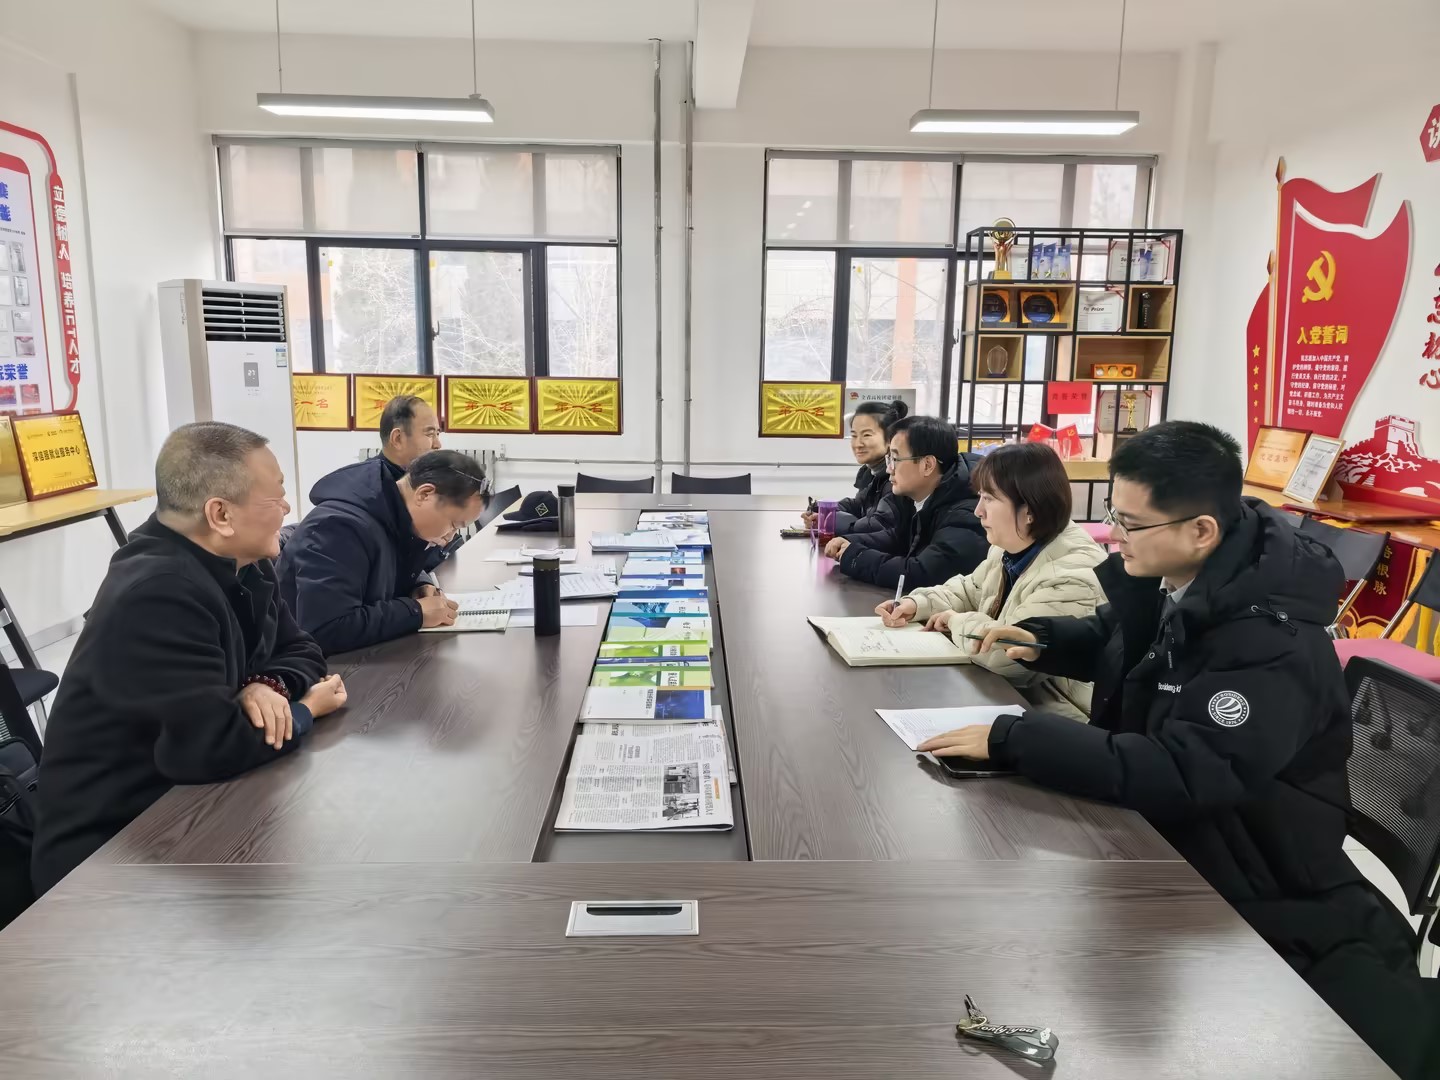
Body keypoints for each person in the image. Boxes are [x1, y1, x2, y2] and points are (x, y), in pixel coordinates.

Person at [916, 421, 1439, 1079]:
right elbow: (1115, 639)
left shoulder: (1268, 644)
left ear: (1201, 531)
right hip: (1173, 837)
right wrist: (1044, 640)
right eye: (1114, 516)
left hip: (1252, 874)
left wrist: (1018, 737)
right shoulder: (1181, 580)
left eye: (1130, 524)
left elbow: (1186, 770)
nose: (1114, 535)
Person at [31, 422, 346, 896]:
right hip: (112, 855)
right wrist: (305, 710)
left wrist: (267, 684)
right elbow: (210, 747)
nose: (286, 508)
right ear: (220, 514)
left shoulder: (245, 563)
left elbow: (302, 649)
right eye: (277, 495)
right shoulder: (159, 593)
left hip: (186, 808)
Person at [875, 442, 1104, 720]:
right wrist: (917, 604)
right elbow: (970, 589)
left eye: (990, 499)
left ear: (1030, 509)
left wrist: (955, 621)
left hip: (1058, 718)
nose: (978, 511)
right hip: (1005, 700)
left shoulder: (1073, 573)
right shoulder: (1010, 545)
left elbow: (1007, 657)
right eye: (979, 497)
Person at [278, 449, 490, 654]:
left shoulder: (394, 513)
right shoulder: (339, 529)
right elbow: (326, 629)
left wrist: (419, 585)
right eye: (453, 524)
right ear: (425, 494)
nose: (450, 537)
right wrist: (416, 613)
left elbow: (393, 565)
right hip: (311, 666)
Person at [823, 415, 987, 589]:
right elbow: (897, 539)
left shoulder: (967, 511)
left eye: (895, 459)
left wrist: (856, 557)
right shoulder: (914, 497)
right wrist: (850, 542)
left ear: (927, 465)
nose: (889, 469)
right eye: (889, 459)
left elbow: (922, 574)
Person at [804, 399, 908, 537]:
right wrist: (822, 509)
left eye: (866, 435)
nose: (857, 444)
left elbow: (878, 526)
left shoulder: (898, 477)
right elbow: (859, 506)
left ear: (891, 439)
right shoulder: (872, 473)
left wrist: (829, 520)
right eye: (854, 435)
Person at [376, 394, 442, 476]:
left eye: (437, 434)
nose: (438, 445)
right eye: (430, 434)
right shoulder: (370, 481)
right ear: (398, 439)